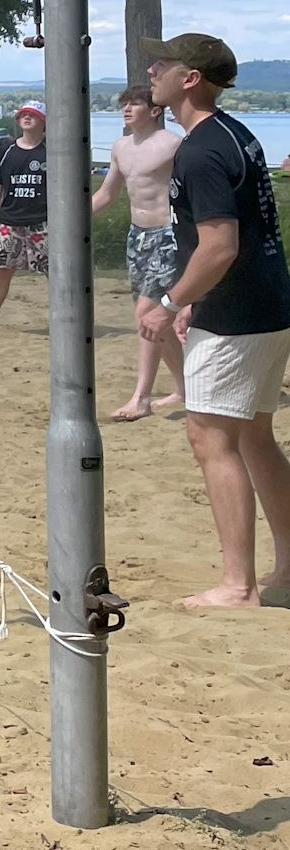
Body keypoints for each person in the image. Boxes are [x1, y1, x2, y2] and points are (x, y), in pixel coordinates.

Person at [135, 34, 290, 608]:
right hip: (267, 304)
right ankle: (286, 574)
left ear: (191, 78)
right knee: (254, 437)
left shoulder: (200, 148)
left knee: (209, 435)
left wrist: (171, 301)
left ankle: (237, 586)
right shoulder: (235, 134)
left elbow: (219, 246)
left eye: (163, 63)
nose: (152, 70)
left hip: (238, 317)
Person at [92, 83, 186, 420]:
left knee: (147, 313)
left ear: (156, 110)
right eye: (124, 104)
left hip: (168, 233)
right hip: (137, 235)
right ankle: (183, 387)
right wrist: (69, 216)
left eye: (135, 104)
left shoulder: (173, 144)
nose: (127, 109)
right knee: (154, 320)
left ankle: (141, 398)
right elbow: (106, 194)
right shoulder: (120, 147)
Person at [0, 100, 49, 333]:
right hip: (10, 221)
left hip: (43, 222)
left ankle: (66, 321)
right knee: (2, 270)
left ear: (44, 122)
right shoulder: (5, 151)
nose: (27, 118)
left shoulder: (52, 151)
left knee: (55, 272)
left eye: (33, 115)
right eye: (23, 115)